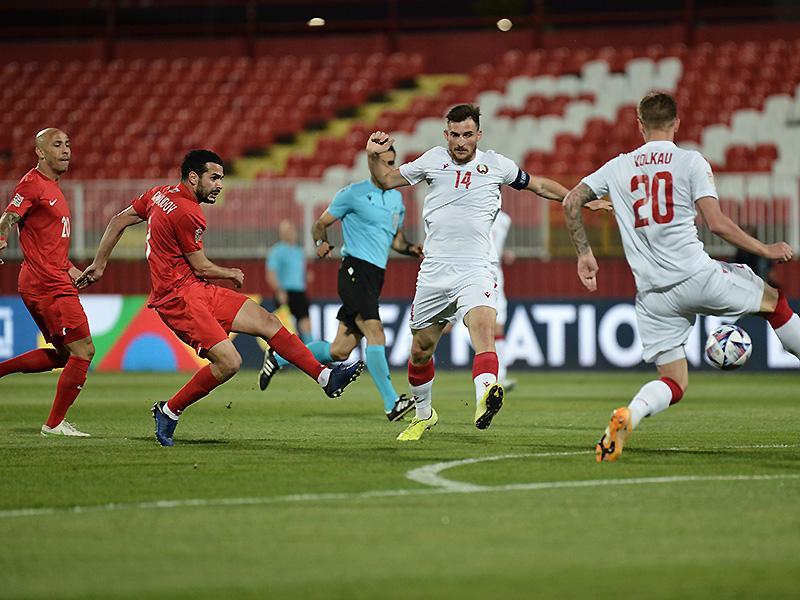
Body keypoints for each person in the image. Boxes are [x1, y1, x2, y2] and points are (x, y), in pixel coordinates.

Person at [563, 91, 798, 463]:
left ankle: (631, 414)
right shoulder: (690, 161)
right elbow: (717, 223)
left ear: (639, 125)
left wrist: (584, 253)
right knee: (775, 302)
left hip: (652, 295)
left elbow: (571, 200)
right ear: (677, 122)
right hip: (697, 276)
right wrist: (764, 249)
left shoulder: (617, 166)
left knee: (674, 380)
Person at [77, 149, 364, 446]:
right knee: (230, 362)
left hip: (196, 289)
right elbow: (201, 266)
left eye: (221, 179)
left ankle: (325, 378)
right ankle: (169, 411)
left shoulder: (158, 194)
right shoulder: (188, 212)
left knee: (267, 321)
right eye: (214, 178)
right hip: (178, 298)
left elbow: (118, 220)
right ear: (193, 177)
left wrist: (99, 264)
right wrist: (230, 273)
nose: (219, 185)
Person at [366, 104, 609, 441]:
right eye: (454, 135)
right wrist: (373, 156)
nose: (460, 142)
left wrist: (577, 199)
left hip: (476, 267)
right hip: (434, 270)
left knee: (483, 330)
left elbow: (538, 186)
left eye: (467, 134)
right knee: (420, 350)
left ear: (479, 135)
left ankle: (485, 398)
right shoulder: (432, 160)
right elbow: (385, 180)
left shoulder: (496, 165)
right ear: (446, 134)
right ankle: (424, 414)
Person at [260, 145, 423, 422]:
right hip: (354, 271)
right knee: (376, 333)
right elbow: (320, 224)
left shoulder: (397, 200)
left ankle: (279, 357)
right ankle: (392, 403)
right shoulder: (352, 193)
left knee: (339, 350)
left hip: (375, 276)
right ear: (373, 164)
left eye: (392, 163)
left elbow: (395, 240)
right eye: (385, 163)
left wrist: (411, 249)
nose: (390, 169)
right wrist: (321, 242)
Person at [0, 128, 94, 437]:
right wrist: (1, 238)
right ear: (40, 152)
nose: (66, 150)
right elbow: (8, 217)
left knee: (66, 354)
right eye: (57, 145)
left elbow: (49, 244)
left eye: (67, 144)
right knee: (83, 351)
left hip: (48, 279)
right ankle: (53, 425)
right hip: (47, 284)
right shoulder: (32, 184)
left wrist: (71, 269)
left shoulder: (52, 187)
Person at [266, 219, 313, 343]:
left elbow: (298, 272)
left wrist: (306, 276)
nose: (289, 233)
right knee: (285, 328)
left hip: (299, 292)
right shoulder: (277, 251)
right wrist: (279, 291)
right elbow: (271, 274)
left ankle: (310, 352)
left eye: (290, 230)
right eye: (285, 231)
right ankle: (280, 353)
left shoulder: (299, 251)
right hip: (285, 292)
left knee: (306, 325)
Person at [490, 209, 516, 391]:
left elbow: (493, 246)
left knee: (498, 327)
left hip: (496, 276)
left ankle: (500, 377)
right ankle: (413, 347)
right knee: (444, 325)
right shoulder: (471, 209)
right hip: (470, 273)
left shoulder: (504, 220)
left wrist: (503, 253)